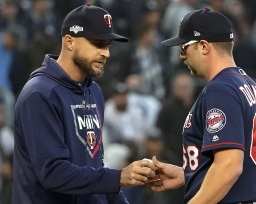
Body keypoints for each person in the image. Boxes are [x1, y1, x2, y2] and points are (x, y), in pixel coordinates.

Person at [12, 4, 156, 204]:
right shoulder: (40, 93)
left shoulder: (94, 91)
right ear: (70, 42)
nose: (106, 53)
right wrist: (118, 177)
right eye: (97, 43)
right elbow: (52, 173)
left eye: (108, 45)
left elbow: (96, 166)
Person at [149, 8, 256, 204]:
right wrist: (189, 174)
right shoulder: (254, 89)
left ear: (203, 46)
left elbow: (229, 167)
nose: (181, 56)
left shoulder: (221, 90)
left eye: (184, 47)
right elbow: (248, 167)